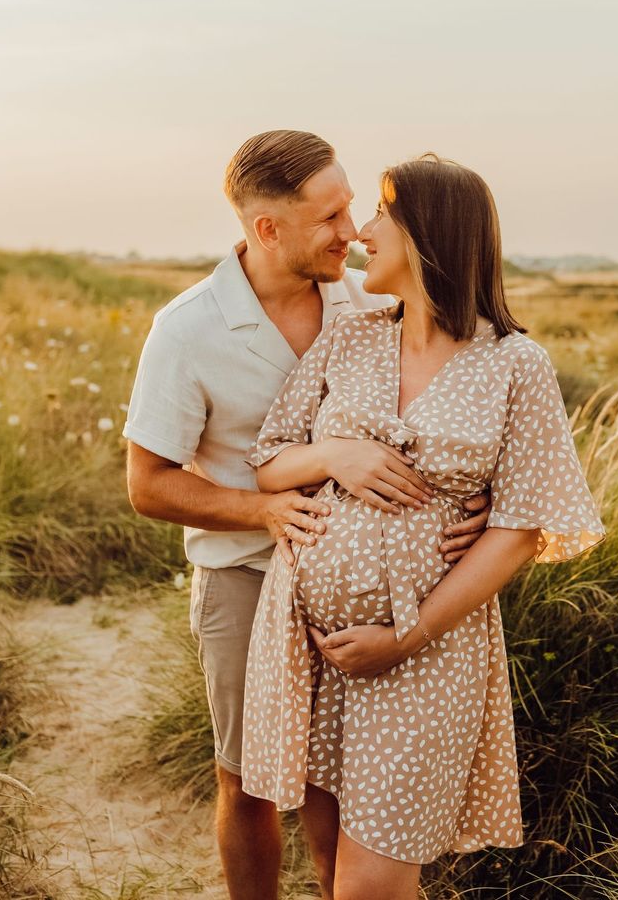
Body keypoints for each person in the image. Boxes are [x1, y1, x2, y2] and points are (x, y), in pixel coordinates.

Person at [123, 131, 492, 900]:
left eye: (352, 206)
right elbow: (148, 485)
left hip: (374, 600)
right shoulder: (187, 329)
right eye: (330, 216)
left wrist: (477, 499)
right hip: (247, 582)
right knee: (251, 782)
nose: (352, 230)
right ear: (267, 229)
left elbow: (440, 407)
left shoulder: (368, 300)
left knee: (341, 790)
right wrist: (266, 509)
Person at [239, 154, 606, 900]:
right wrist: (336, 455)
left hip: (424, 658)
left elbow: (519, 529)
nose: (363, 234)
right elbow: (270, 462)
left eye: (382, 214)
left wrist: (402, 638)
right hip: (309, 647)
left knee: (370, 884)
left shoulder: (514, 365)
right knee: (333, 862)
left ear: (430, 236)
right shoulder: (352, 338)